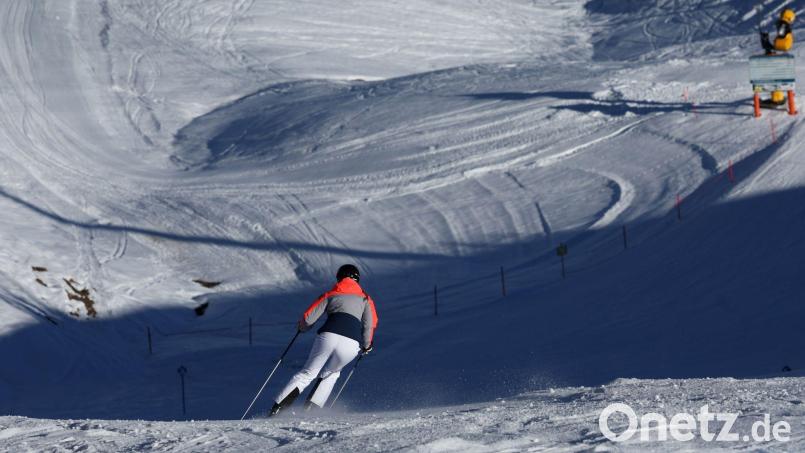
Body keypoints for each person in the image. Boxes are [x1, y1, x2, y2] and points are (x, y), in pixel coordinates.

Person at [270, 264, 378, 415]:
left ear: (340, 277)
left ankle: (277, 410)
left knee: (308, 373)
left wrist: (302, 328)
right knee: (332, 373)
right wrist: (367, 345)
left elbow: (308, 318)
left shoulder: (331, 294)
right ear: (357, 279)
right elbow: (370, 324)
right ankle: (311, 411)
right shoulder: (366, 299)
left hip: (328, 336)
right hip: (351, 344)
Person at [760, 9, 796, 104]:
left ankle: (777, 97)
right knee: (776, 75)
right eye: (792, 18)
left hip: (778, 52)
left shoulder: (782, 24)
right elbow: (781, 37)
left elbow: (780, 37)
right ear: (789, 16)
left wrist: (769, 43)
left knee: (775, 75)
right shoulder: (784, 25)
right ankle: (777, 98)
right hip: (780, 51)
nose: (792, 20)